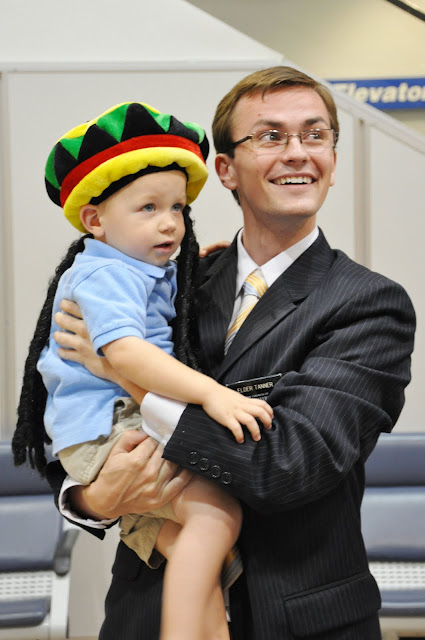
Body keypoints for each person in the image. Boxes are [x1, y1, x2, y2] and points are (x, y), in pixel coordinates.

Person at [26, 67, 416, 639]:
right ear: (226, 169)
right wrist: (91, 498)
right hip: (147, 613)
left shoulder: (369, 303)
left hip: (302, 621)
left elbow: (289, 465)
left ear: (333, 161)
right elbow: (74, 416)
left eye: (315, 135)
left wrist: (129, 377)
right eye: (271, 136)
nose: (297, 152)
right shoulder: (175, 281)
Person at [12, 101, 273, 640]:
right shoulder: (109, 274)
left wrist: (200, 265)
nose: (169, 222)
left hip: (99, 430)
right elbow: (127, 354)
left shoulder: (131, 266)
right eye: (148, 207)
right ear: (95, 220)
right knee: (216, 516)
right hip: (114, 426)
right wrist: (212, 395)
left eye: (177, 207)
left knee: (198, 549)